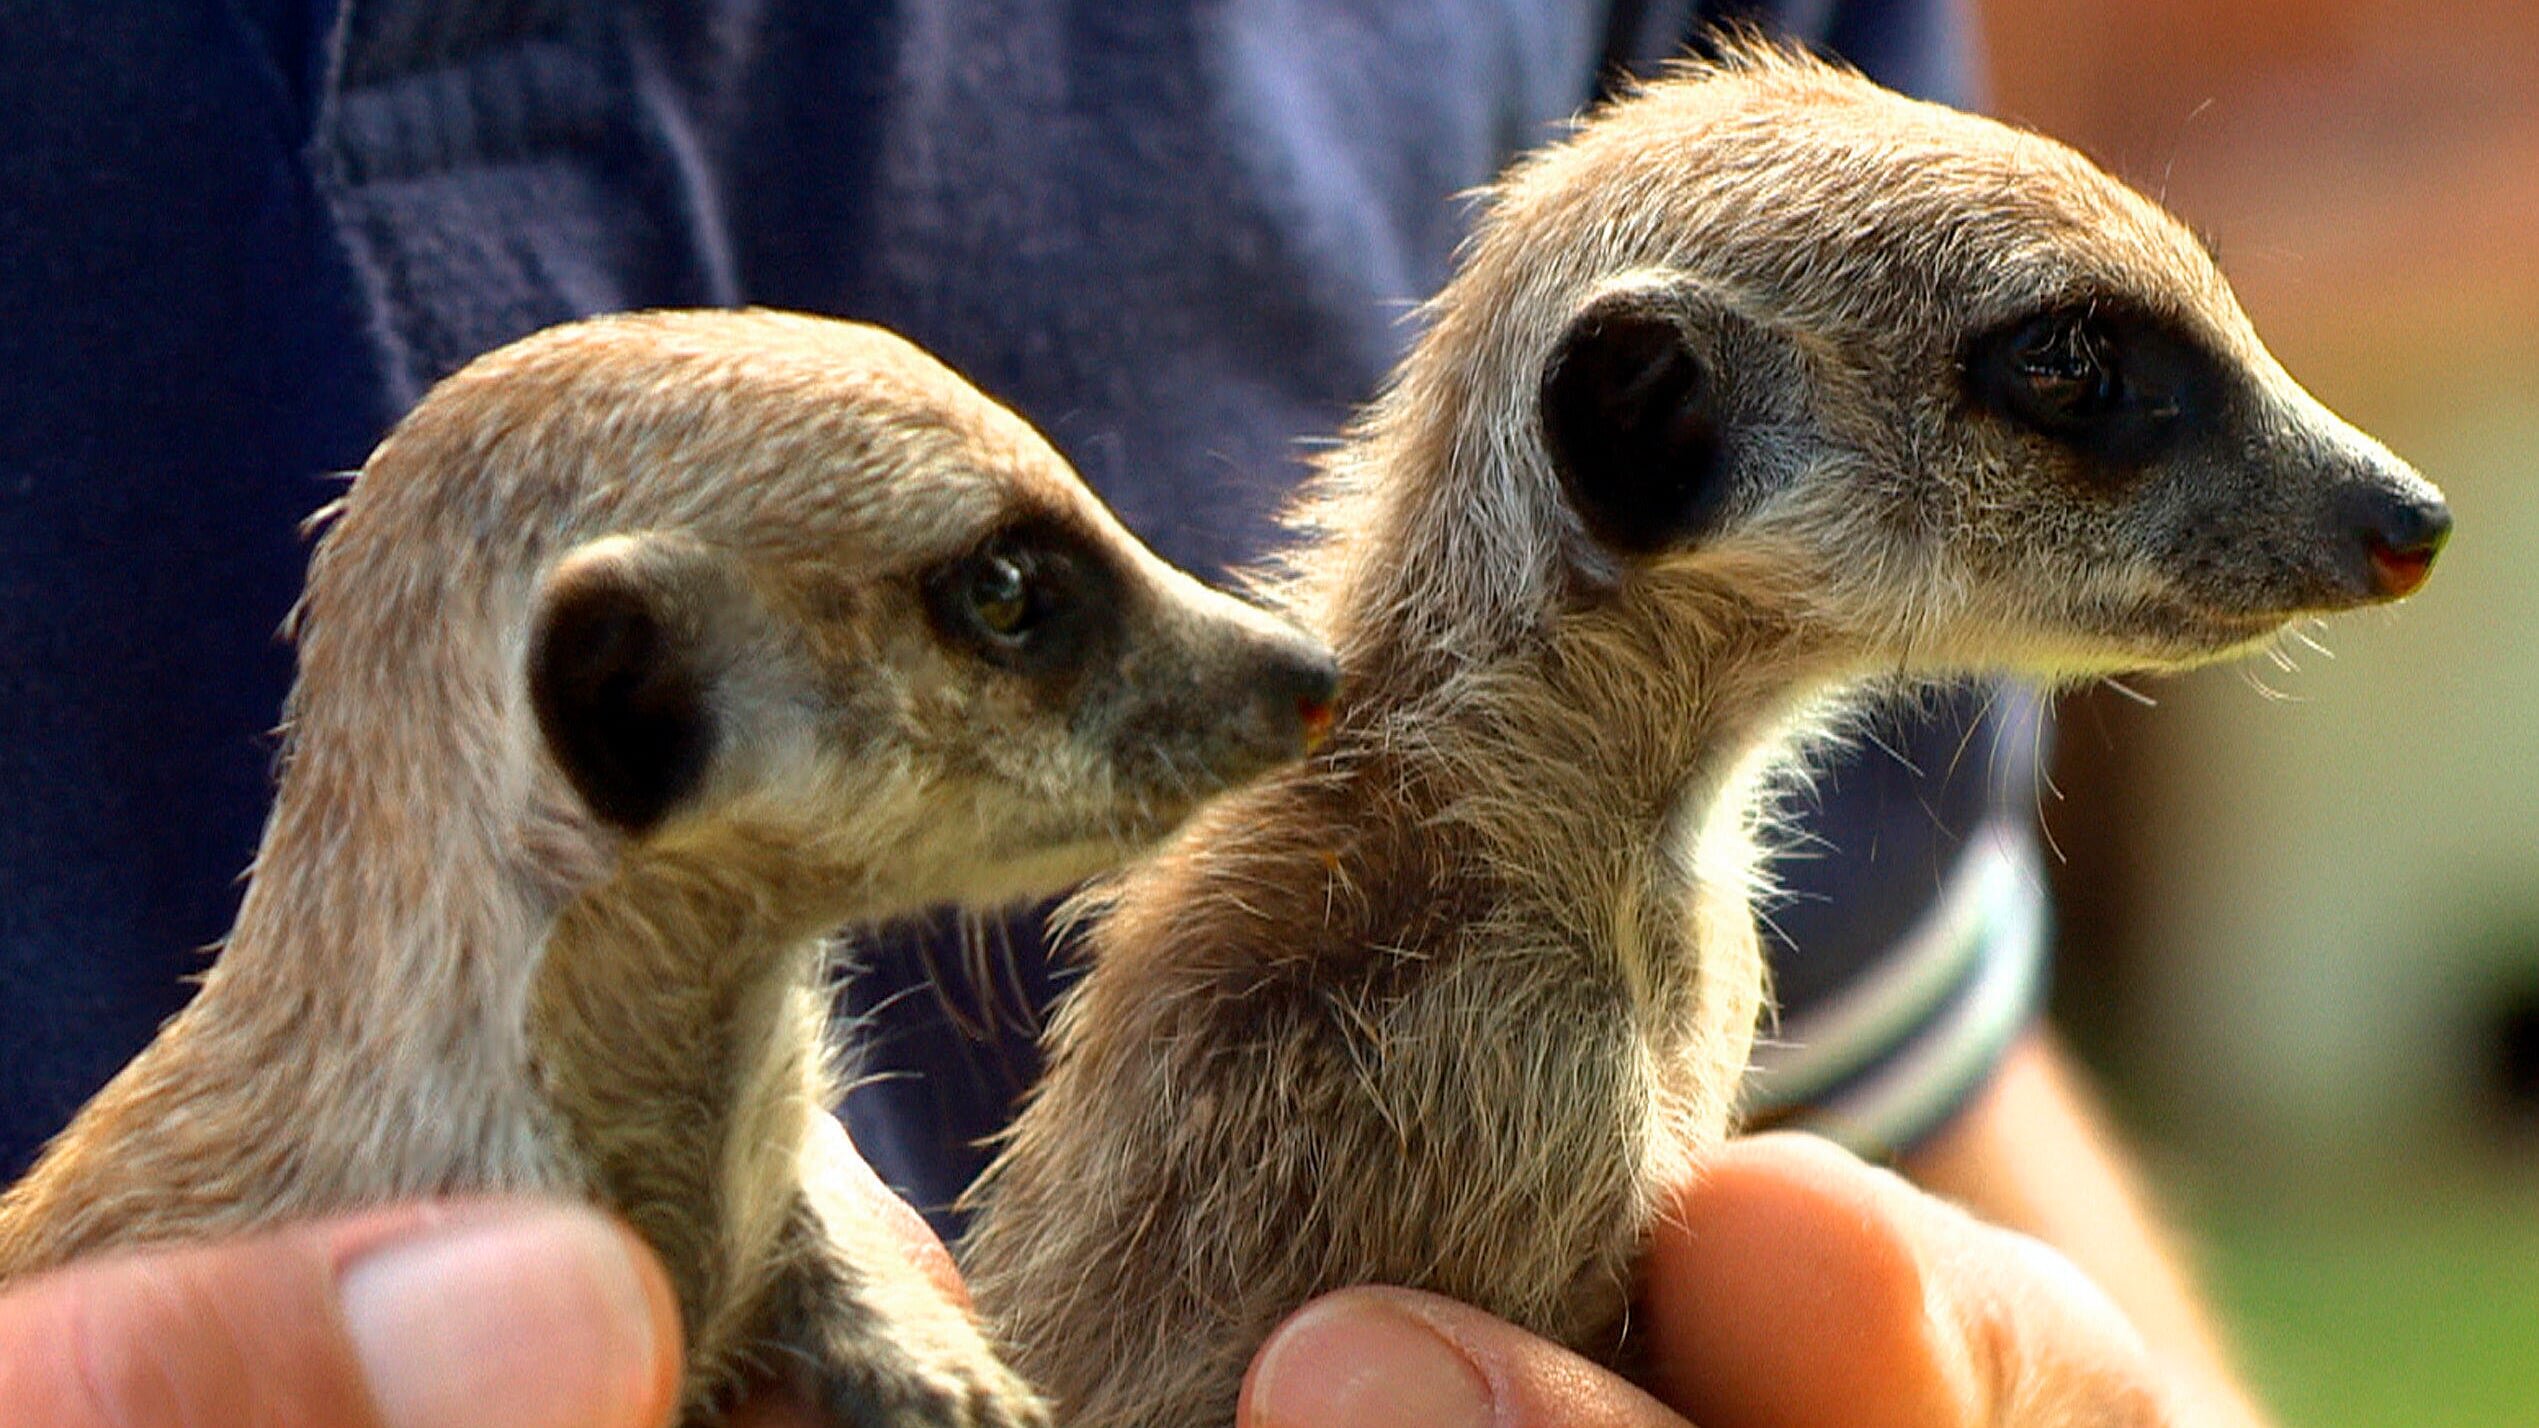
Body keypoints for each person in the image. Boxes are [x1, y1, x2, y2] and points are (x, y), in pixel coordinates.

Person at [0, 1, 2272, 1424]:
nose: (1277, 694)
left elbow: (1925, 1119)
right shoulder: (1387, 974)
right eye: (1008, 610)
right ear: (642, 699)